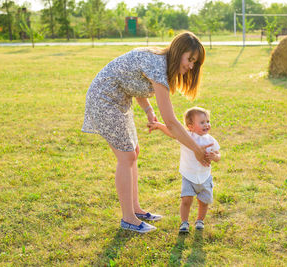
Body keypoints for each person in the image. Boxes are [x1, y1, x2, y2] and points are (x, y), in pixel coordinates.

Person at [82, 32, 212, 233]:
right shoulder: (159, 66)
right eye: (190, 59)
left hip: (119, 101)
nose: (191, 66)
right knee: (126, 157)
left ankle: (135, 210)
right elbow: (171, 122)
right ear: (178, 53)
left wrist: (149, 110)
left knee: (134, 151)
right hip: (104, 100)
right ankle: (128, 219)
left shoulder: (160, 62)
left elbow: (132, 81)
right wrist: (196, 149)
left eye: (195, 62)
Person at [147, 107, 221, 233]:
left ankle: (200, 220)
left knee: (204, 202)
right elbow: (172, 132)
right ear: (190, 126)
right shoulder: (186, 136)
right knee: (186, 200)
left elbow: (218, 156)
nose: (206, 125)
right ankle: (184, 223)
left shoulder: (211, 140)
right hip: (188, 175)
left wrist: (215, 157)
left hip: (204, 176)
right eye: (202, 122)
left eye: (207, 121)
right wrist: (159, 125)